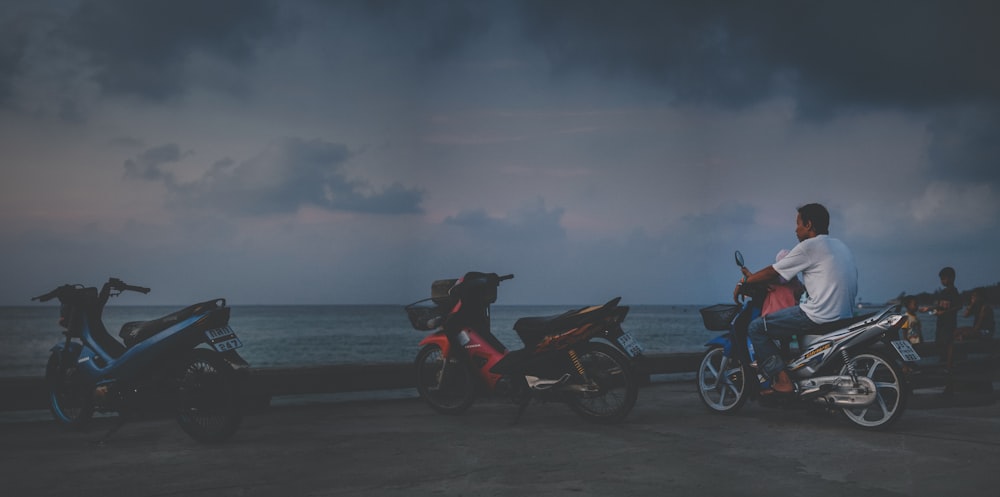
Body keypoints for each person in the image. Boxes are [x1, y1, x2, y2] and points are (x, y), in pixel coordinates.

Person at [734, 203, 858, 394]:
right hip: (845, 315)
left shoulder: (809, 246)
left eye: (798, 223)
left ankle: (783, 381)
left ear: (809, 225)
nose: (795, 229)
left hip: (819, 315)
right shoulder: (839, 245)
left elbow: (772, 272)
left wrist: (746, 282)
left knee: (756, 328)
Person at [920, 267, 960, 363]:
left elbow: (958, 306)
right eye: (941, 279)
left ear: (951, 278)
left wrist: (944, 312)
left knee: (947, 343)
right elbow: (939, 306)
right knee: (940, 342)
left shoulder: (954, 292)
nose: (942, 281)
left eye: (943, 278)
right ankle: (943, 362)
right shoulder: (944, 292)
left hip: (949, 323)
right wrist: (928, 308)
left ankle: (947, 364)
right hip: (941, 323)